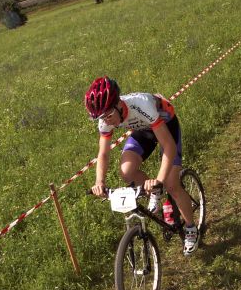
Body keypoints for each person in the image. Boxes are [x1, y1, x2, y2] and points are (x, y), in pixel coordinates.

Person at [85, 76, 199, 255]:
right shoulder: (105, 119)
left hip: (166, 126)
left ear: (118, 104)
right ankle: (157, 194)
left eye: (108, 116)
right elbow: (103, 153)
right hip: (143, 131)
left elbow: (168, 145)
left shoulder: (141, 105)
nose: (106, 121)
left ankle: (191, 228)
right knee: (126, 171)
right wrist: (100, 181)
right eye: (101, 118)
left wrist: (159, 180)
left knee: (171, 184)